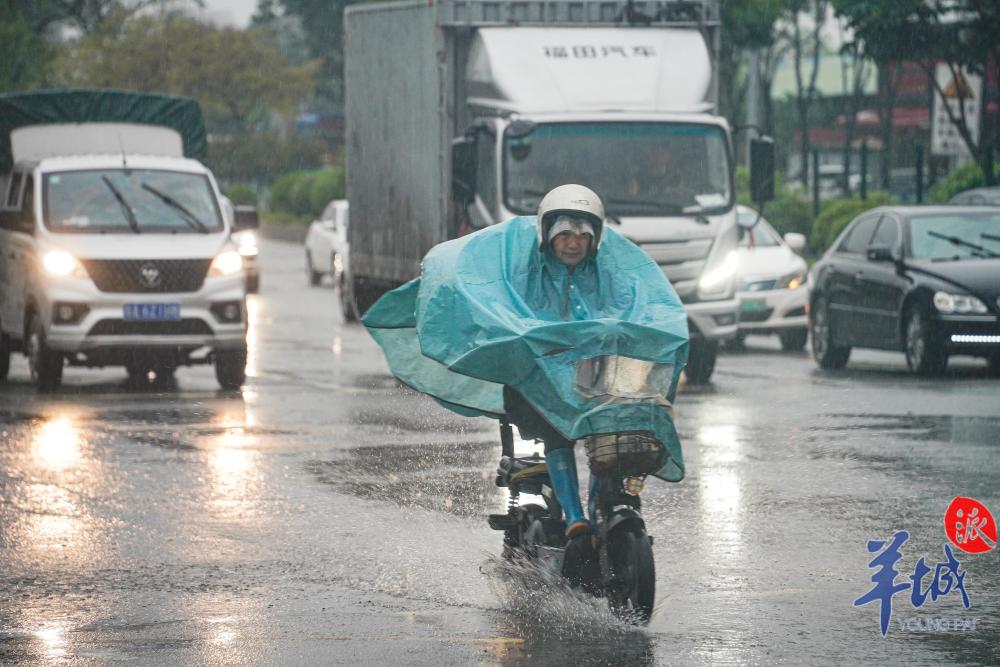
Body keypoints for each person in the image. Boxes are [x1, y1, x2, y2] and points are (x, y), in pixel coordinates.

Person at [502, 184, 604, 540]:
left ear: (595, 239)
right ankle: (575, 518)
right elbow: (511, 319)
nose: (573, 243)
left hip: (594, 385)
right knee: (558, 434)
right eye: (564, 234)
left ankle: (599, 514)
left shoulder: (605, 276)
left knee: (613, 439)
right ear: (547, 235)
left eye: (582, 235)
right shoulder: (528, 276)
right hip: (538, 387)